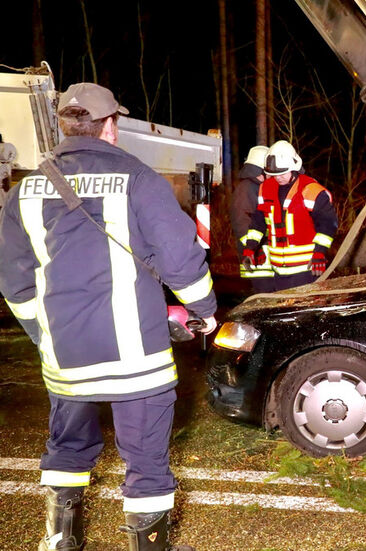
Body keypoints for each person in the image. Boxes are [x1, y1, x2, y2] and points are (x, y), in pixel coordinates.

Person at [0, 82, 216, 551]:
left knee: (66, 450)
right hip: (136, 359)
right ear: (111, 126)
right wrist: (204, 311)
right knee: (146, 463)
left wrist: (45, 333)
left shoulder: (24, 191)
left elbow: (14, 282)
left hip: (66, 360)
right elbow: (180, 260)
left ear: (64, 125)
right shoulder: (139, 180)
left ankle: (61, 540)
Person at [241, 140, 338, 290]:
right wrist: (250, 248)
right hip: (278, 270)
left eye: (282, 173)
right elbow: (258, 223)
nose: (278, 177)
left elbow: (328, 225)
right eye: (274, 174)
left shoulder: (312, 191)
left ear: (294, 167)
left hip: (307, 269)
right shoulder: (265, 189)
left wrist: (319, 252)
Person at [231, 145, 276, 291]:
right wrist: (254, 249)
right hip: (257, 261)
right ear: (261, 170)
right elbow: (242, 225)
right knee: (263, 297)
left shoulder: (259, 188)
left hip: (264, 257)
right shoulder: (247, 190)